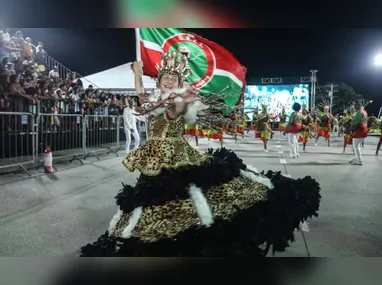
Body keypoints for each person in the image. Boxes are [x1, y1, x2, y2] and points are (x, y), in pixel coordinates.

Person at [80, 53, 321, 257]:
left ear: (177, 83)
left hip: (174, 152)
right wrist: (137, 71)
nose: (168, 81)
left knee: (179, 192)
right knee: (150, 194)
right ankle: (154, 232)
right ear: (161, 80)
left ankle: (192, 232)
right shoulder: (152, 100)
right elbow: (142, 94)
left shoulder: (173, 102)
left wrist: (184, 99)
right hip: (153, 153)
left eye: (173, 79)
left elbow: (173, 112)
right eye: (166, 78)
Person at [348, 101, 368, 165]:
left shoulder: (359, 112)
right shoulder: (364, 111)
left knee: (355, 146)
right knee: (357, 146)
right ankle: (357, 158)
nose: (354, 107)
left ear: (358, 105)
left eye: (355, 105)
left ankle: (359, 160)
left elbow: (354, 124)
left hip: (359, 131)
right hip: (364, 131)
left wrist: (348, 131)